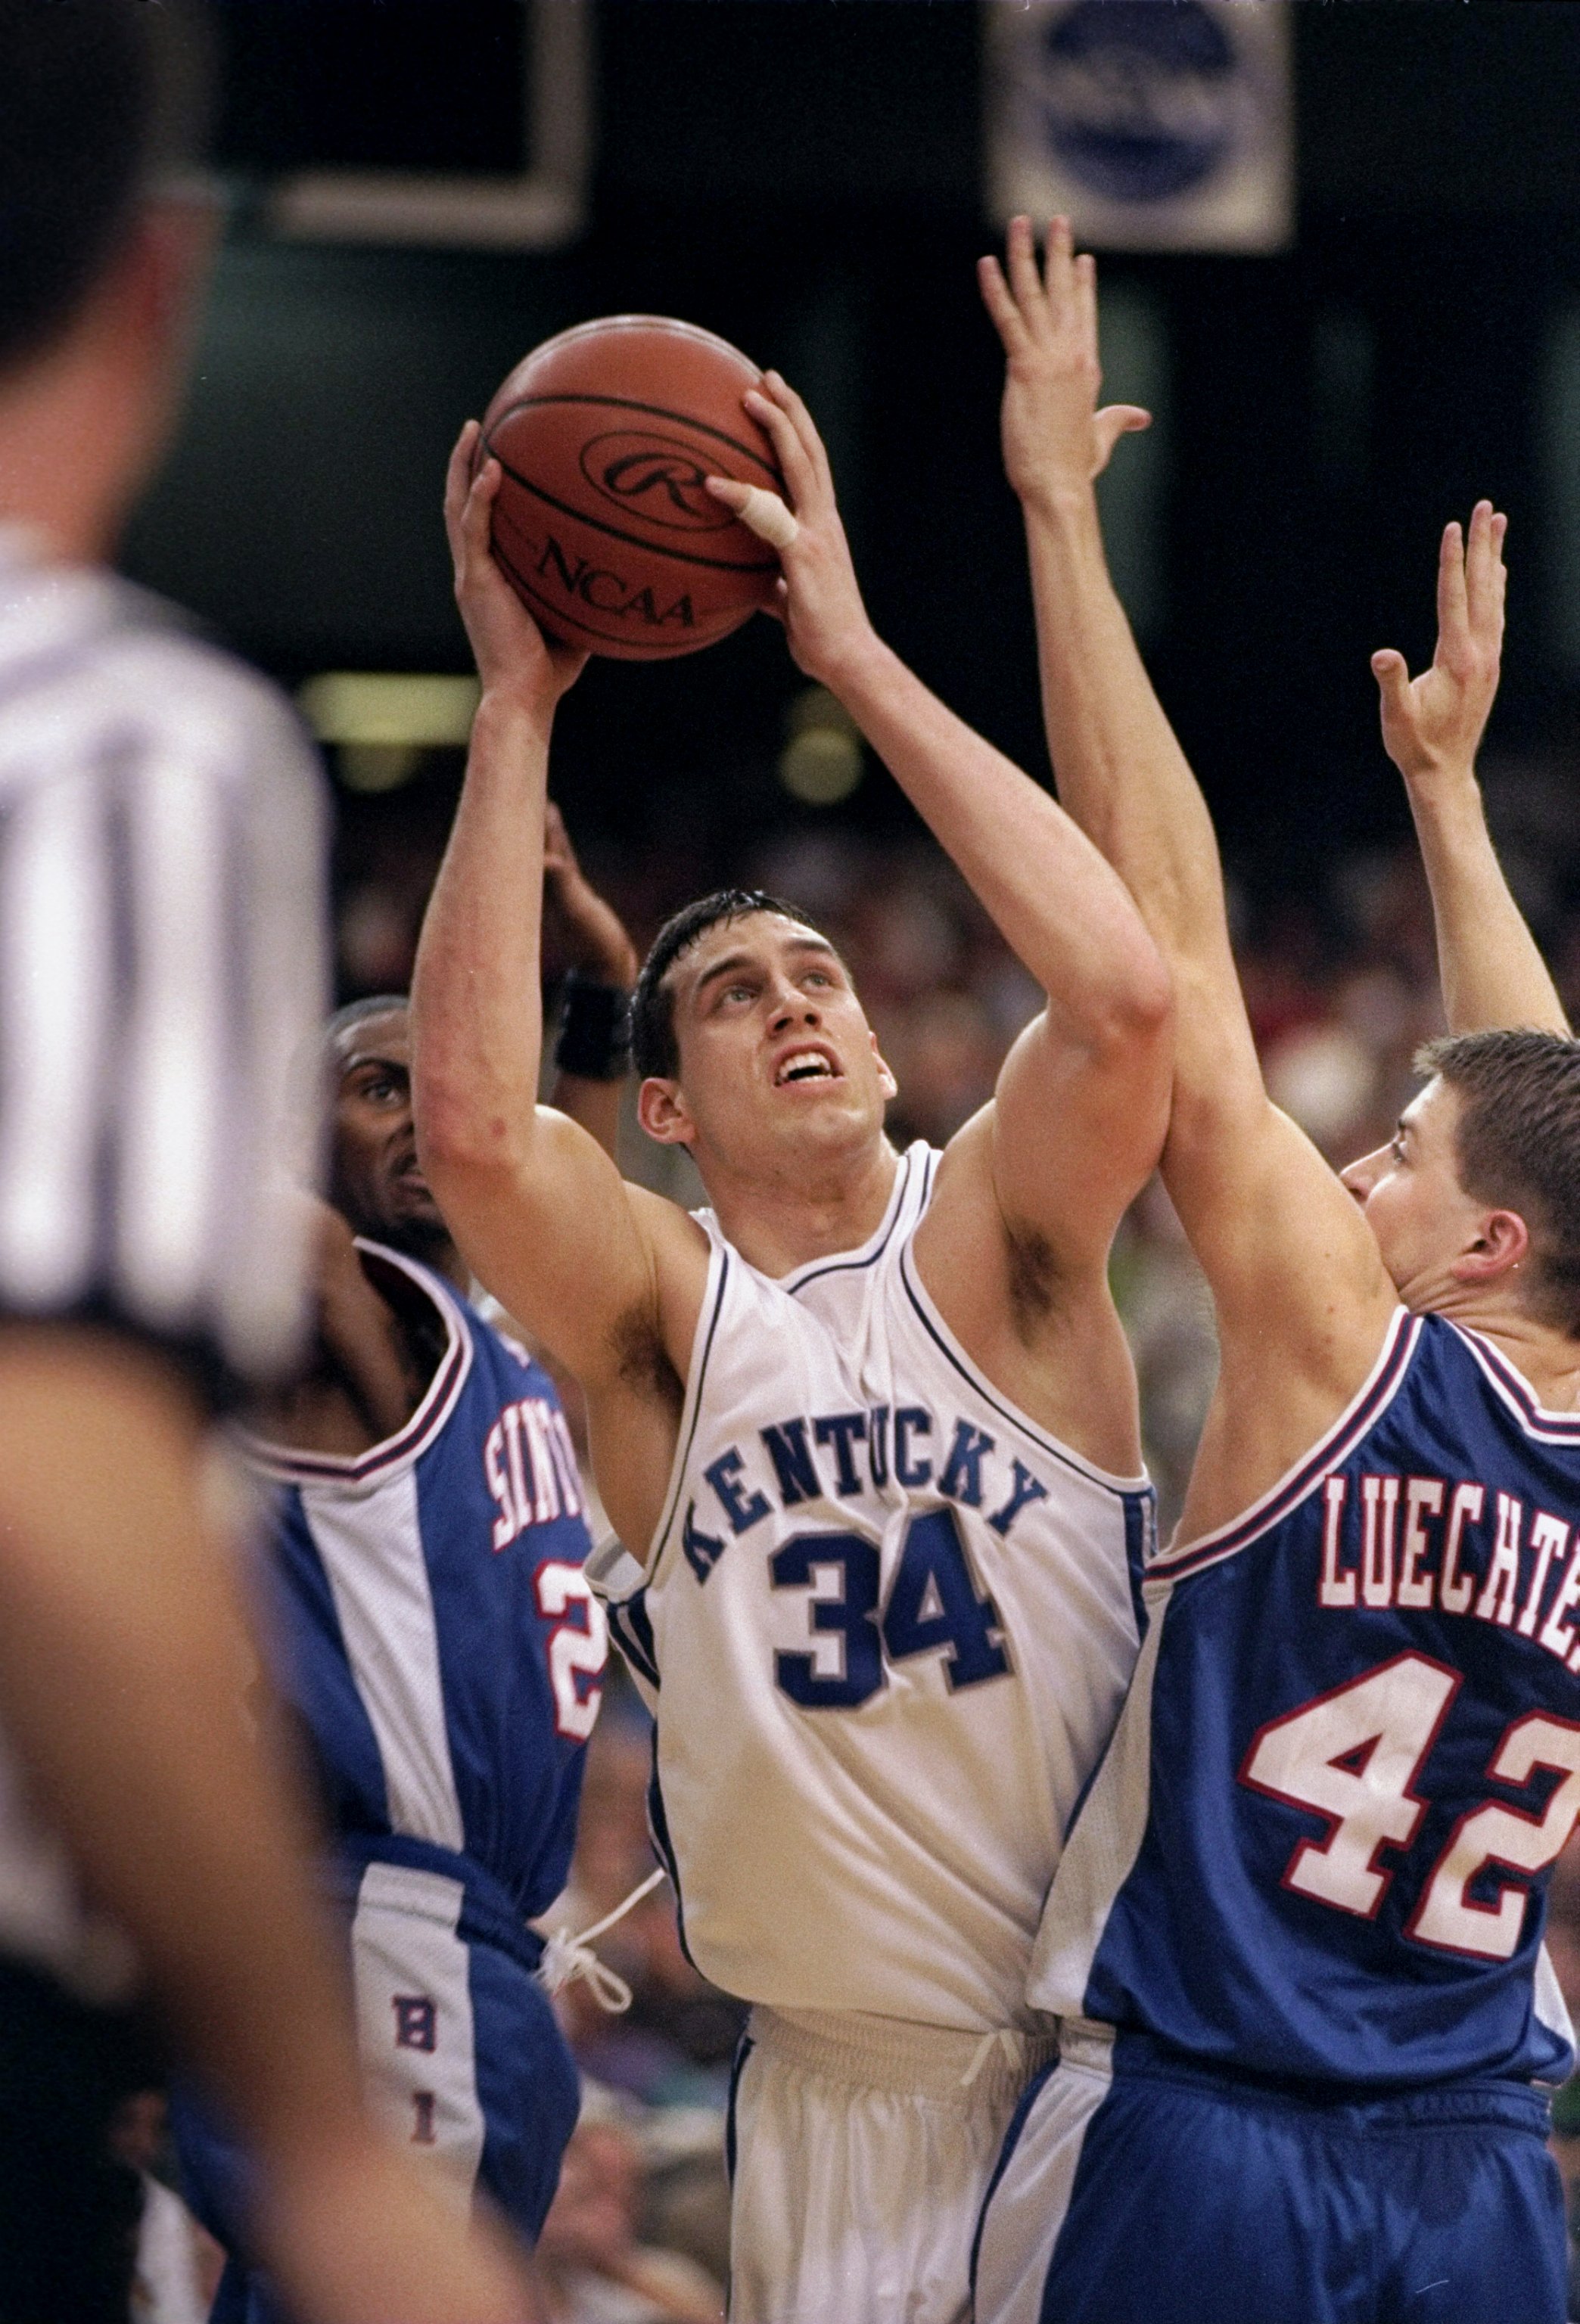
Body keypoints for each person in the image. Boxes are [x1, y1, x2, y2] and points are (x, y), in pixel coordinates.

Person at [409, 365, 1174, 2323]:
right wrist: (515, 706)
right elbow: (482, 1136)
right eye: (737, 997)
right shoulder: (667, 1314)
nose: (795, 1002)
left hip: (1120, 2076)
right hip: (840, 2100)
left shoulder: (1001, 1233)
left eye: (818, 971)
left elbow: (1120, 996)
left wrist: (844, 645)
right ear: (664, 1108)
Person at [972, 214, 1580, 2324]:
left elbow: (1164, 937)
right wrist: (1450, 804)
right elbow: (1545, 1121)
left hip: (1216, 2130)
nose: (1354, 1166)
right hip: (1483, 2160)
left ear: (1484, 1247)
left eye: (1393, 1161)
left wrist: (1058, 523)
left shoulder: (1342, 1343)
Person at [0, 2, 535, 2317]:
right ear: (158, 280)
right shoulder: (107, 741)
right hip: (340, 1931)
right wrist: (313, 2150)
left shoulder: (526, 1307)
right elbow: (53, 1463)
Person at [176, 816, 639, 2317]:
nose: (432, 1118)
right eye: (376, 1090)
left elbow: (546, 1154)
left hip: (469, 1947)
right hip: (389, 1928)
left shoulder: (504, 1337)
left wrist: (603, 982)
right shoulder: (352, 1308)